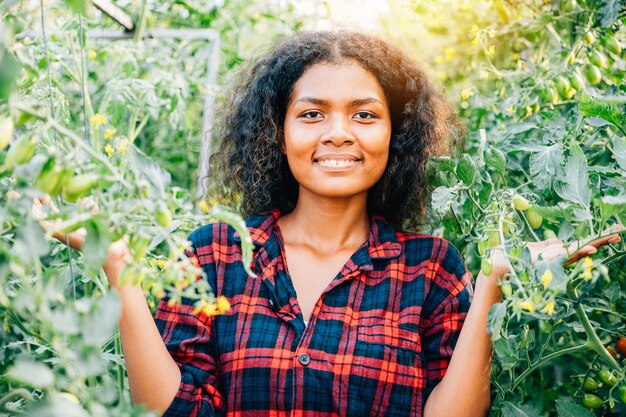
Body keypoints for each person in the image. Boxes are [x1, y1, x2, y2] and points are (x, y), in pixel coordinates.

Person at [36, 30, 622, 417]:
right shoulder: (215, 253)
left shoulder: (430, 267)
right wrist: (120, 270)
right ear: (277, 132)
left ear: (396, 135)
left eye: (364, 115)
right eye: (312, 114)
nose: (338, 133)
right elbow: (177, 409)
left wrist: (498, 283)